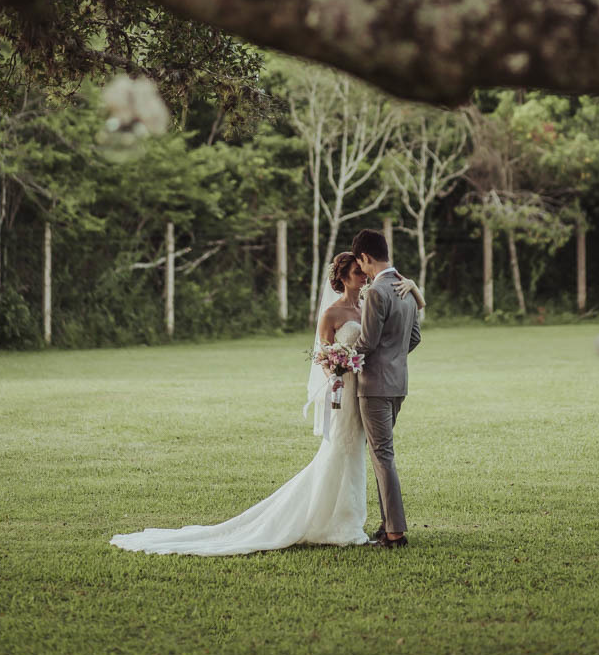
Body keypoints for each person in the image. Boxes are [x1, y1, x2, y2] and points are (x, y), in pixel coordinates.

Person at [110, 251, 421, 556]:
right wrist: (335, 373)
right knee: (342, 451)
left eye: (362, 271)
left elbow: (384, 336)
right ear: (342, 278)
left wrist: (414, 290)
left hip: (366, 390)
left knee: (357, 456)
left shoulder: (368, 304)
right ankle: (338, 524)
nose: (363, 276)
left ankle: (349, 520)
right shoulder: (332, 314)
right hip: (346, 392)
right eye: (356, 272)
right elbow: (323, 357)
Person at [351, 228, 422, 549]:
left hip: (375, 385)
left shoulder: (377, 291)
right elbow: (415, 337)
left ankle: (395, 533)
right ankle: (386, 525)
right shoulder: (405, 287)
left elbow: (367, 342)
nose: (362, 271)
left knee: (382, 456)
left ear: (366, 257)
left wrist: (341, 359)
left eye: (361, 264)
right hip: (398, 383)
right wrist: (394, 358)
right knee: (383, 454)